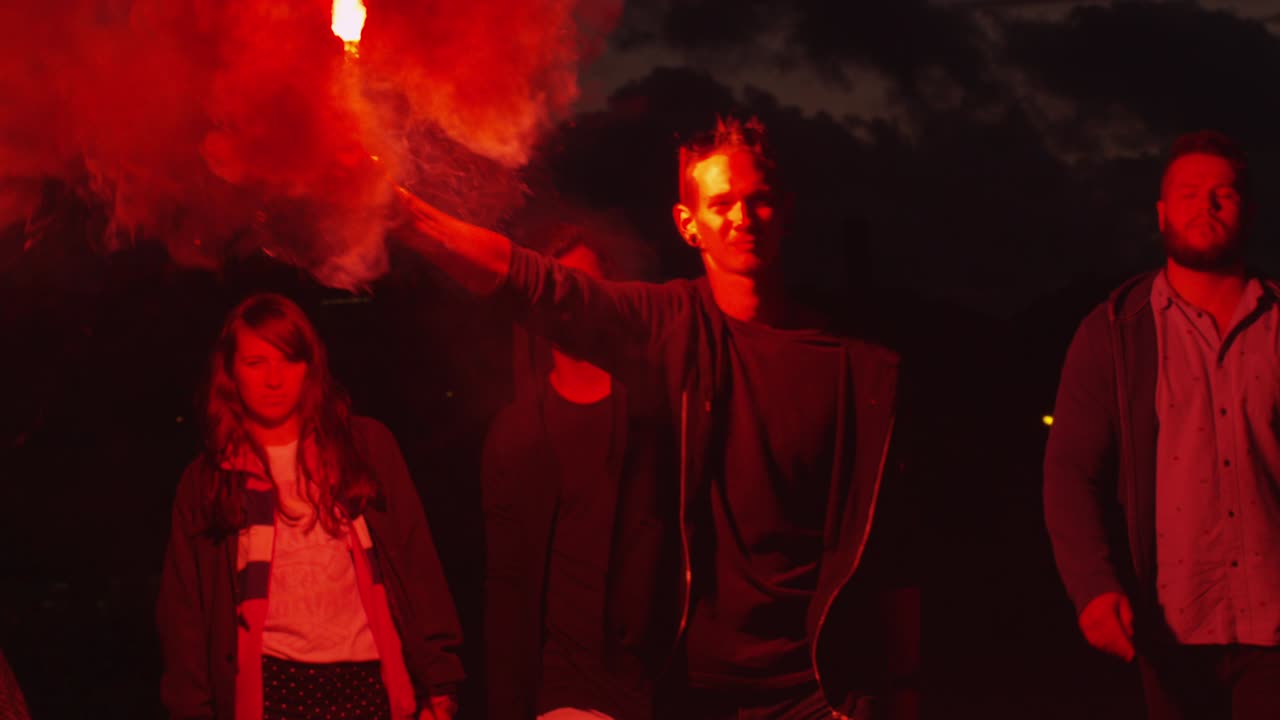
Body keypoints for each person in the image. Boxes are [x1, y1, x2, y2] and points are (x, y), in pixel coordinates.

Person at [398, 117, 918, 719]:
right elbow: (535, 284)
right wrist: (404, 216)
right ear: (688, 224)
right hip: (683, 692)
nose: (743, 218)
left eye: (759, 200)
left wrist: (898, 694)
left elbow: (893, 555)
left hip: (813, 697)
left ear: (786, 211)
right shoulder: (669, 327)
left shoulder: (859, 370)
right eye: (721, 203)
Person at [1045, 130, 1280, 719]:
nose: (1206, 205)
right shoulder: (1113, 334)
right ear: (1161, 212)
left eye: (1223, 193)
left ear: (1248, 210)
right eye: (1189, 193)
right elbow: (1070, 472)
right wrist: (1092, 587)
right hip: (1167, 634)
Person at [157, 293, 465, 720]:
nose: (274, 379)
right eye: (256, 363)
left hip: (370, 682)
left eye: (289, 360)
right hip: (271, 688)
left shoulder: (364, 448)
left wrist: (440, 680)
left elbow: (417, 563)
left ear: (310, 367)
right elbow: (184, 614)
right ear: (230, 372)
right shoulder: (207, 479)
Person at [481, 215, 657, 720]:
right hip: (562, 691)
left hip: (654, 687)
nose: (566, 305)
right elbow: (507, 583)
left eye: (581, 288)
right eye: (553, 290)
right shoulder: (517, 431)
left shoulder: (660, 413)